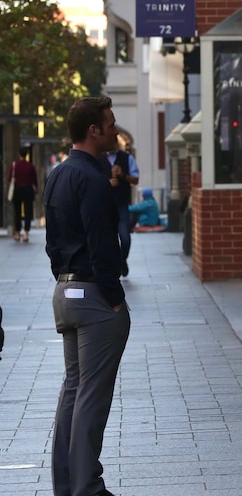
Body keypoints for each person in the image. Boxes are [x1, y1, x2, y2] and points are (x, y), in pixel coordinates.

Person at [44, 96, 130, 496]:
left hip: (65, 289)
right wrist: (113, 295)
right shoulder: (94, 177)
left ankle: (68, 484)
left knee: (74, 392)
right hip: (94, 296)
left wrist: (63, 280)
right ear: (94, 130)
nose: (114, 129)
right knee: (92, 398)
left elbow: (51, 242)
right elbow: (102, 241)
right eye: (110, 124)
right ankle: (87, 488)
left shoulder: (58, 175)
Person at [104, 146, 139, 277]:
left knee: (125, 238)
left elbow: (135, 179)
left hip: (122, 204)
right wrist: (106, 183)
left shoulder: (126, 157)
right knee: (108, 239)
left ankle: (122, 259)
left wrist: (122, 175)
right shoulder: (99, 157)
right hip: (104, 205)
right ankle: (113, 266)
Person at [7, 147, 38, 242]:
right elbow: (34, 180)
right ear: (26, 154)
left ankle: (17, 232)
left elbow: (9, 178)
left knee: (17, 212)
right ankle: (26, 233)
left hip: (17, 190)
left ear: (19, 154)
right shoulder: (30, 166)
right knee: (28, 212)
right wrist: (36, 190)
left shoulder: (14, 165)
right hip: (28, 190)